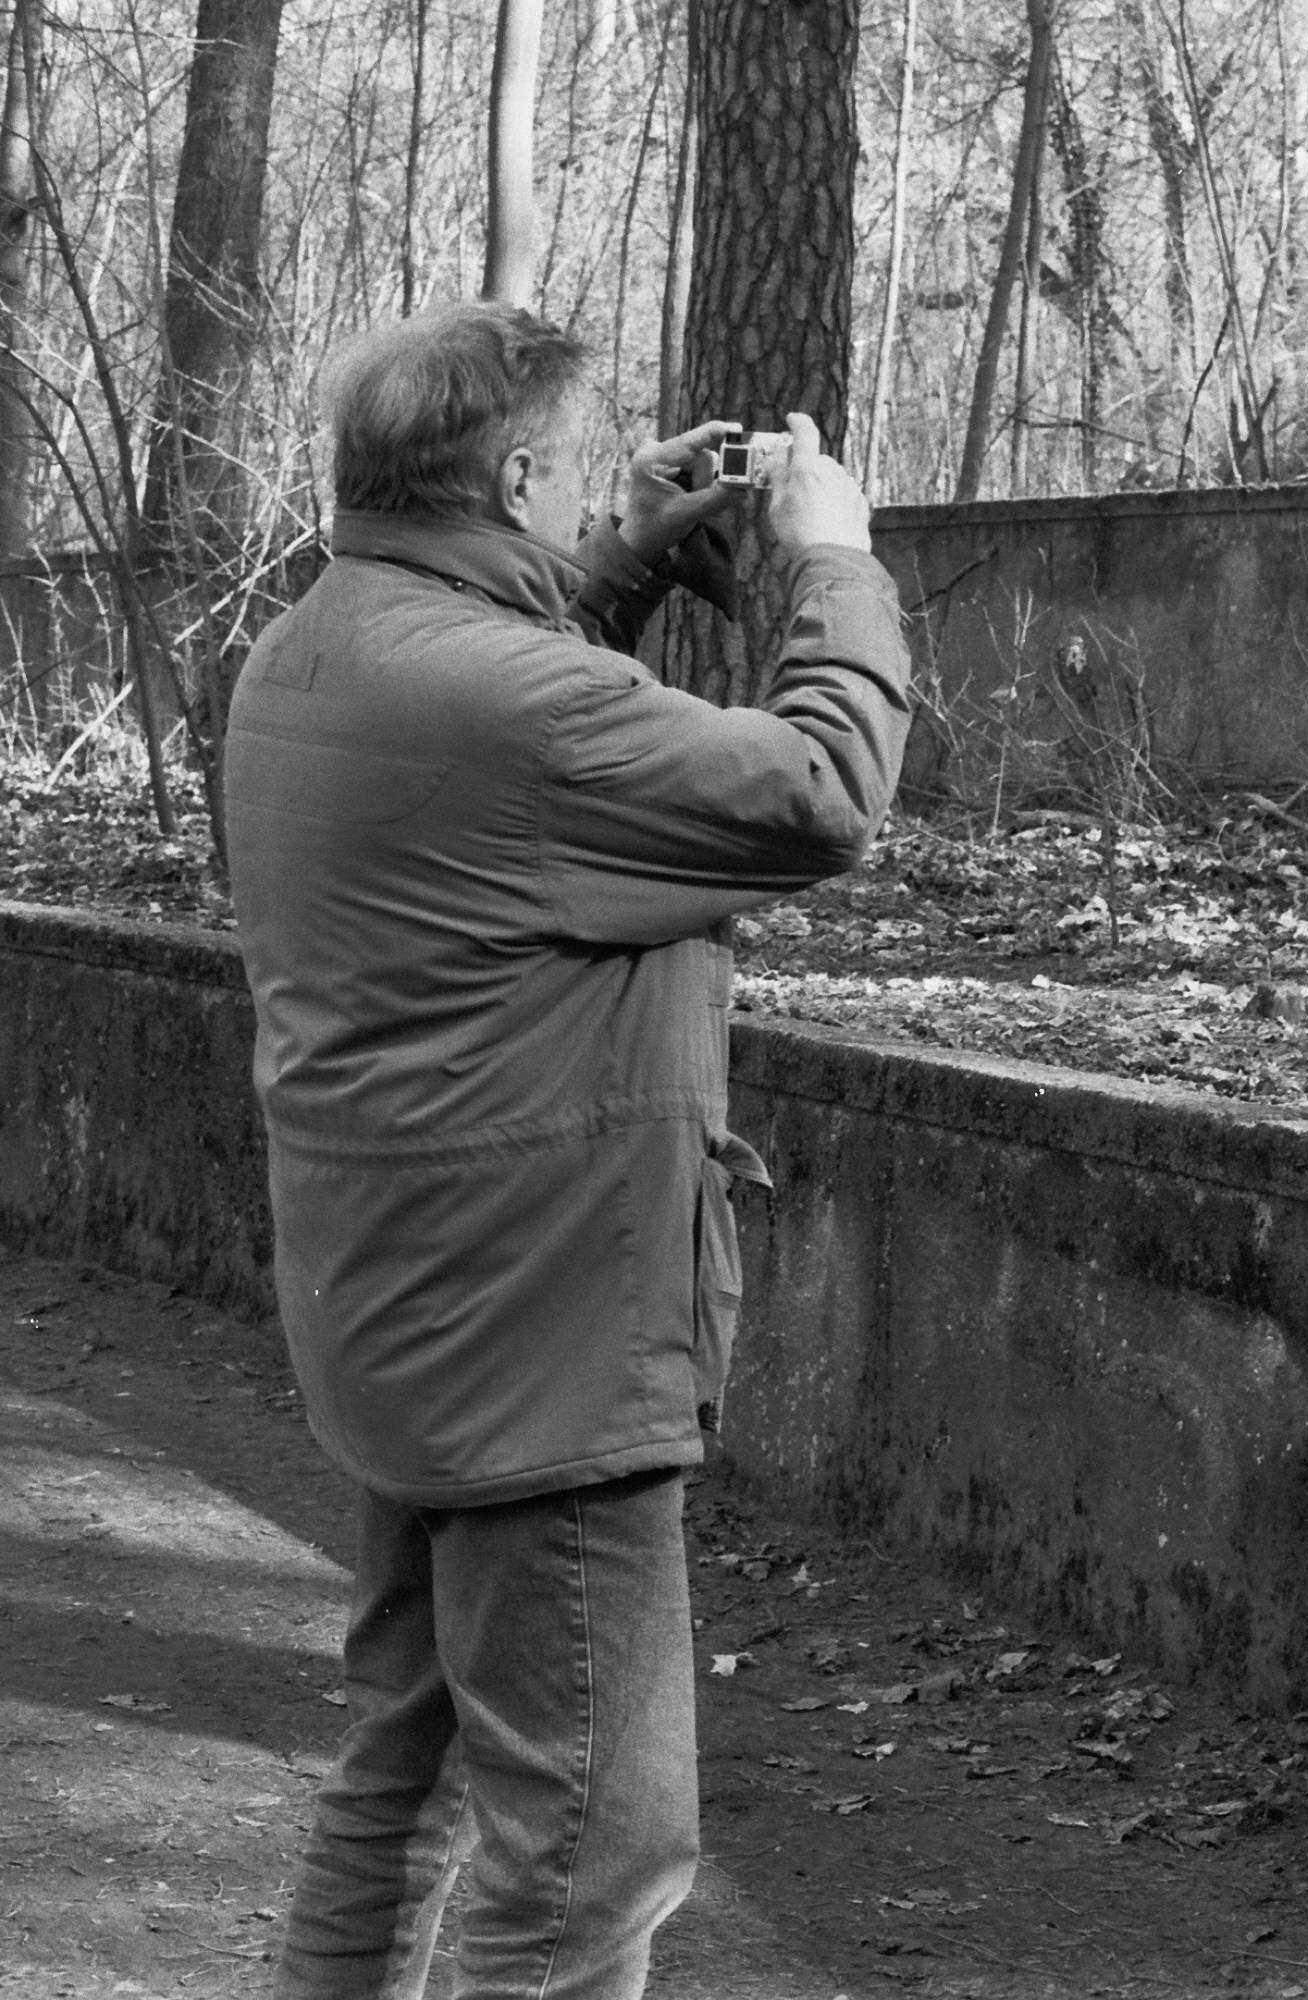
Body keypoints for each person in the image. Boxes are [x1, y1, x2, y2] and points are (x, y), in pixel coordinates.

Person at [224, 298, 911, 1999]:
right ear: (515, 474)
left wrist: (611, 556)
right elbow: (823, 791)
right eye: (579, 476)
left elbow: (498, 729)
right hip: (543, 1351)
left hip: (404, 1316)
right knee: (594, 1855)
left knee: (404, 1777)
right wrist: (835, 565)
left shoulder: (314, 645)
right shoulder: (506, 704)